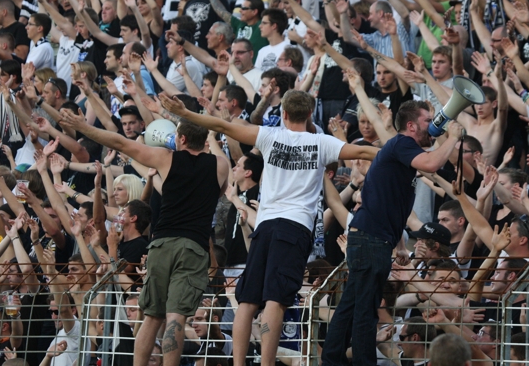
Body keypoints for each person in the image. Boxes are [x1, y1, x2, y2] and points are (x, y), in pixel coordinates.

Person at [159, 88, 379, 366]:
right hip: (294, 228)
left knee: (248, 301)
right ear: (310, 113)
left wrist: (184, 113)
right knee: (276, 299)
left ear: (284, 114)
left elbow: (222, 125)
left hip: (265, 225)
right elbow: (361, 150)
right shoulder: (322, 142)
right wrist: (402, 153)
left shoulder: (269, 135)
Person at [57, 105, 230, 366]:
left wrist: (82, 127)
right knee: (177, 317)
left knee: (151, 316)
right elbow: (217, 191)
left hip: (161, 245)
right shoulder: (220, 164)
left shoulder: (166, 158)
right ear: (205, 140)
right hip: (193, 248)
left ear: (180, 138)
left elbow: (120, 142)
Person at [321, 93, 465, 366]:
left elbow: (393, 206)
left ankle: (331, 359)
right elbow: (432, 163)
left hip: (374, 239)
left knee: (352, 304)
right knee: (366, 308)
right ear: (411, 126)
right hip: (369, 239)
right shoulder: (401, 144)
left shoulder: (402, 153)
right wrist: (453, 137)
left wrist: (400, 246)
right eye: (427, 119)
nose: (434, 124)